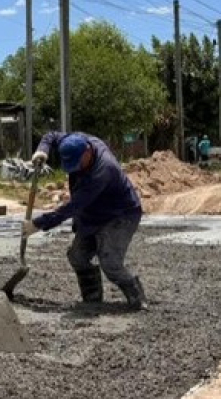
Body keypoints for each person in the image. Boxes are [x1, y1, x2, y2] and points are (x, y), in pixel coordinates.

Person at [24, 131, 147, 310]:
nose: (74, 169)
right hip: (92, 213)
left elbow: (74, 206)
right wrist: (42, 150)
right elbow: (50, 135)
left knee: (110, 262)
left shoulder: (104, 170)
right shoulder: (74, 141)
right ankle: (92, 298)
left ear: (88, 153)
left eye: (76, 164)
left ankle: (137, 297)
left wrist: (39, 223)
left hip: (120, 214)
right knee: (77, 256)